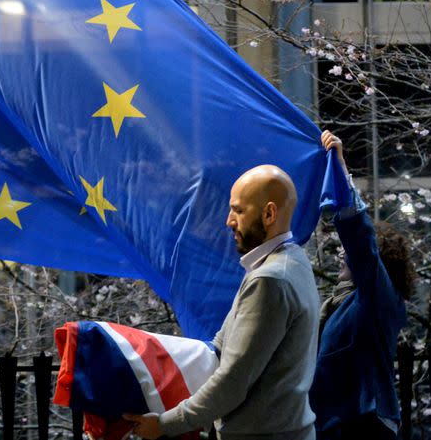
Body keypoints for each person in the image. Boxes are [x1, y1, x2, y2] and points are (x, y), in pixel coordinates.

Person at [125, 165, 320, 440]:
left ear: (269, 214)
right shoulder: (292, 262)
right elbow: (220, 346)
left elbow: (233, 381)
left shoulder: (269, 279)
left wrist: (164, 424)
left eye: (239, 210)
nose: (229, 220)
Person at [310, 131, 416, 440]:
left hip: (362, 424)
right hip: (334, 425)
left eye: (347, 251)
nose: (341, 253)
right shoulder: (345, 303)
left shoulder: (378, 300)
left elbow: (360, 242)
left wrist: (340, 172)